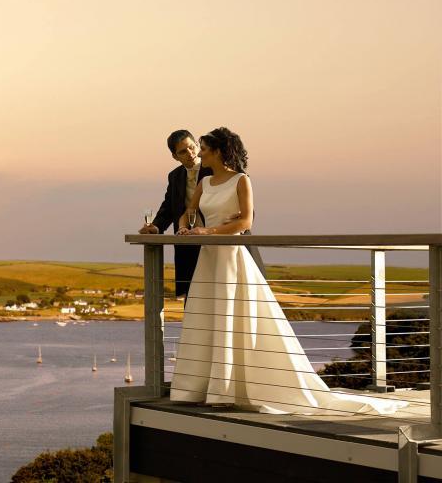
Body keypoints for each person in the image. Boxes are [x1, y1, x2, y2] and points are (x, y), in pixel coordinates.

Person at [169, 127, 407, 415]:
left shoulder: (241, 180)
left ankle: (231, 389)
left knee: (234, 317)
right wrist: (185, 226)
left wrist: (210, 230)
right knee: (207, 317)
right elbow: (187, 211)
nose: (200, 154)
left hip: (231, 256)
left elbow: (245, 221)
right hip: (208, 259)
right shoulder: (204, 183)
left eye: (204, 149)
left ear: (218, 151)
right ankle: (202, 386)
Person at [139, 130, 265, 299]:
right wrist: (156, 227)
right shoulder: (175, 176)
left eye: (192, 147)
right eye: (183, 151)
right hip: (190, 247)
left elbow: (244, 209)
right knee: (195, 302)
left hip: (226, 244)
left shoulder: (219, 169)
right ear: (175, 156)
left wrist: (235, 220)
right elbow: (169, 208)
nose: (191, 154)